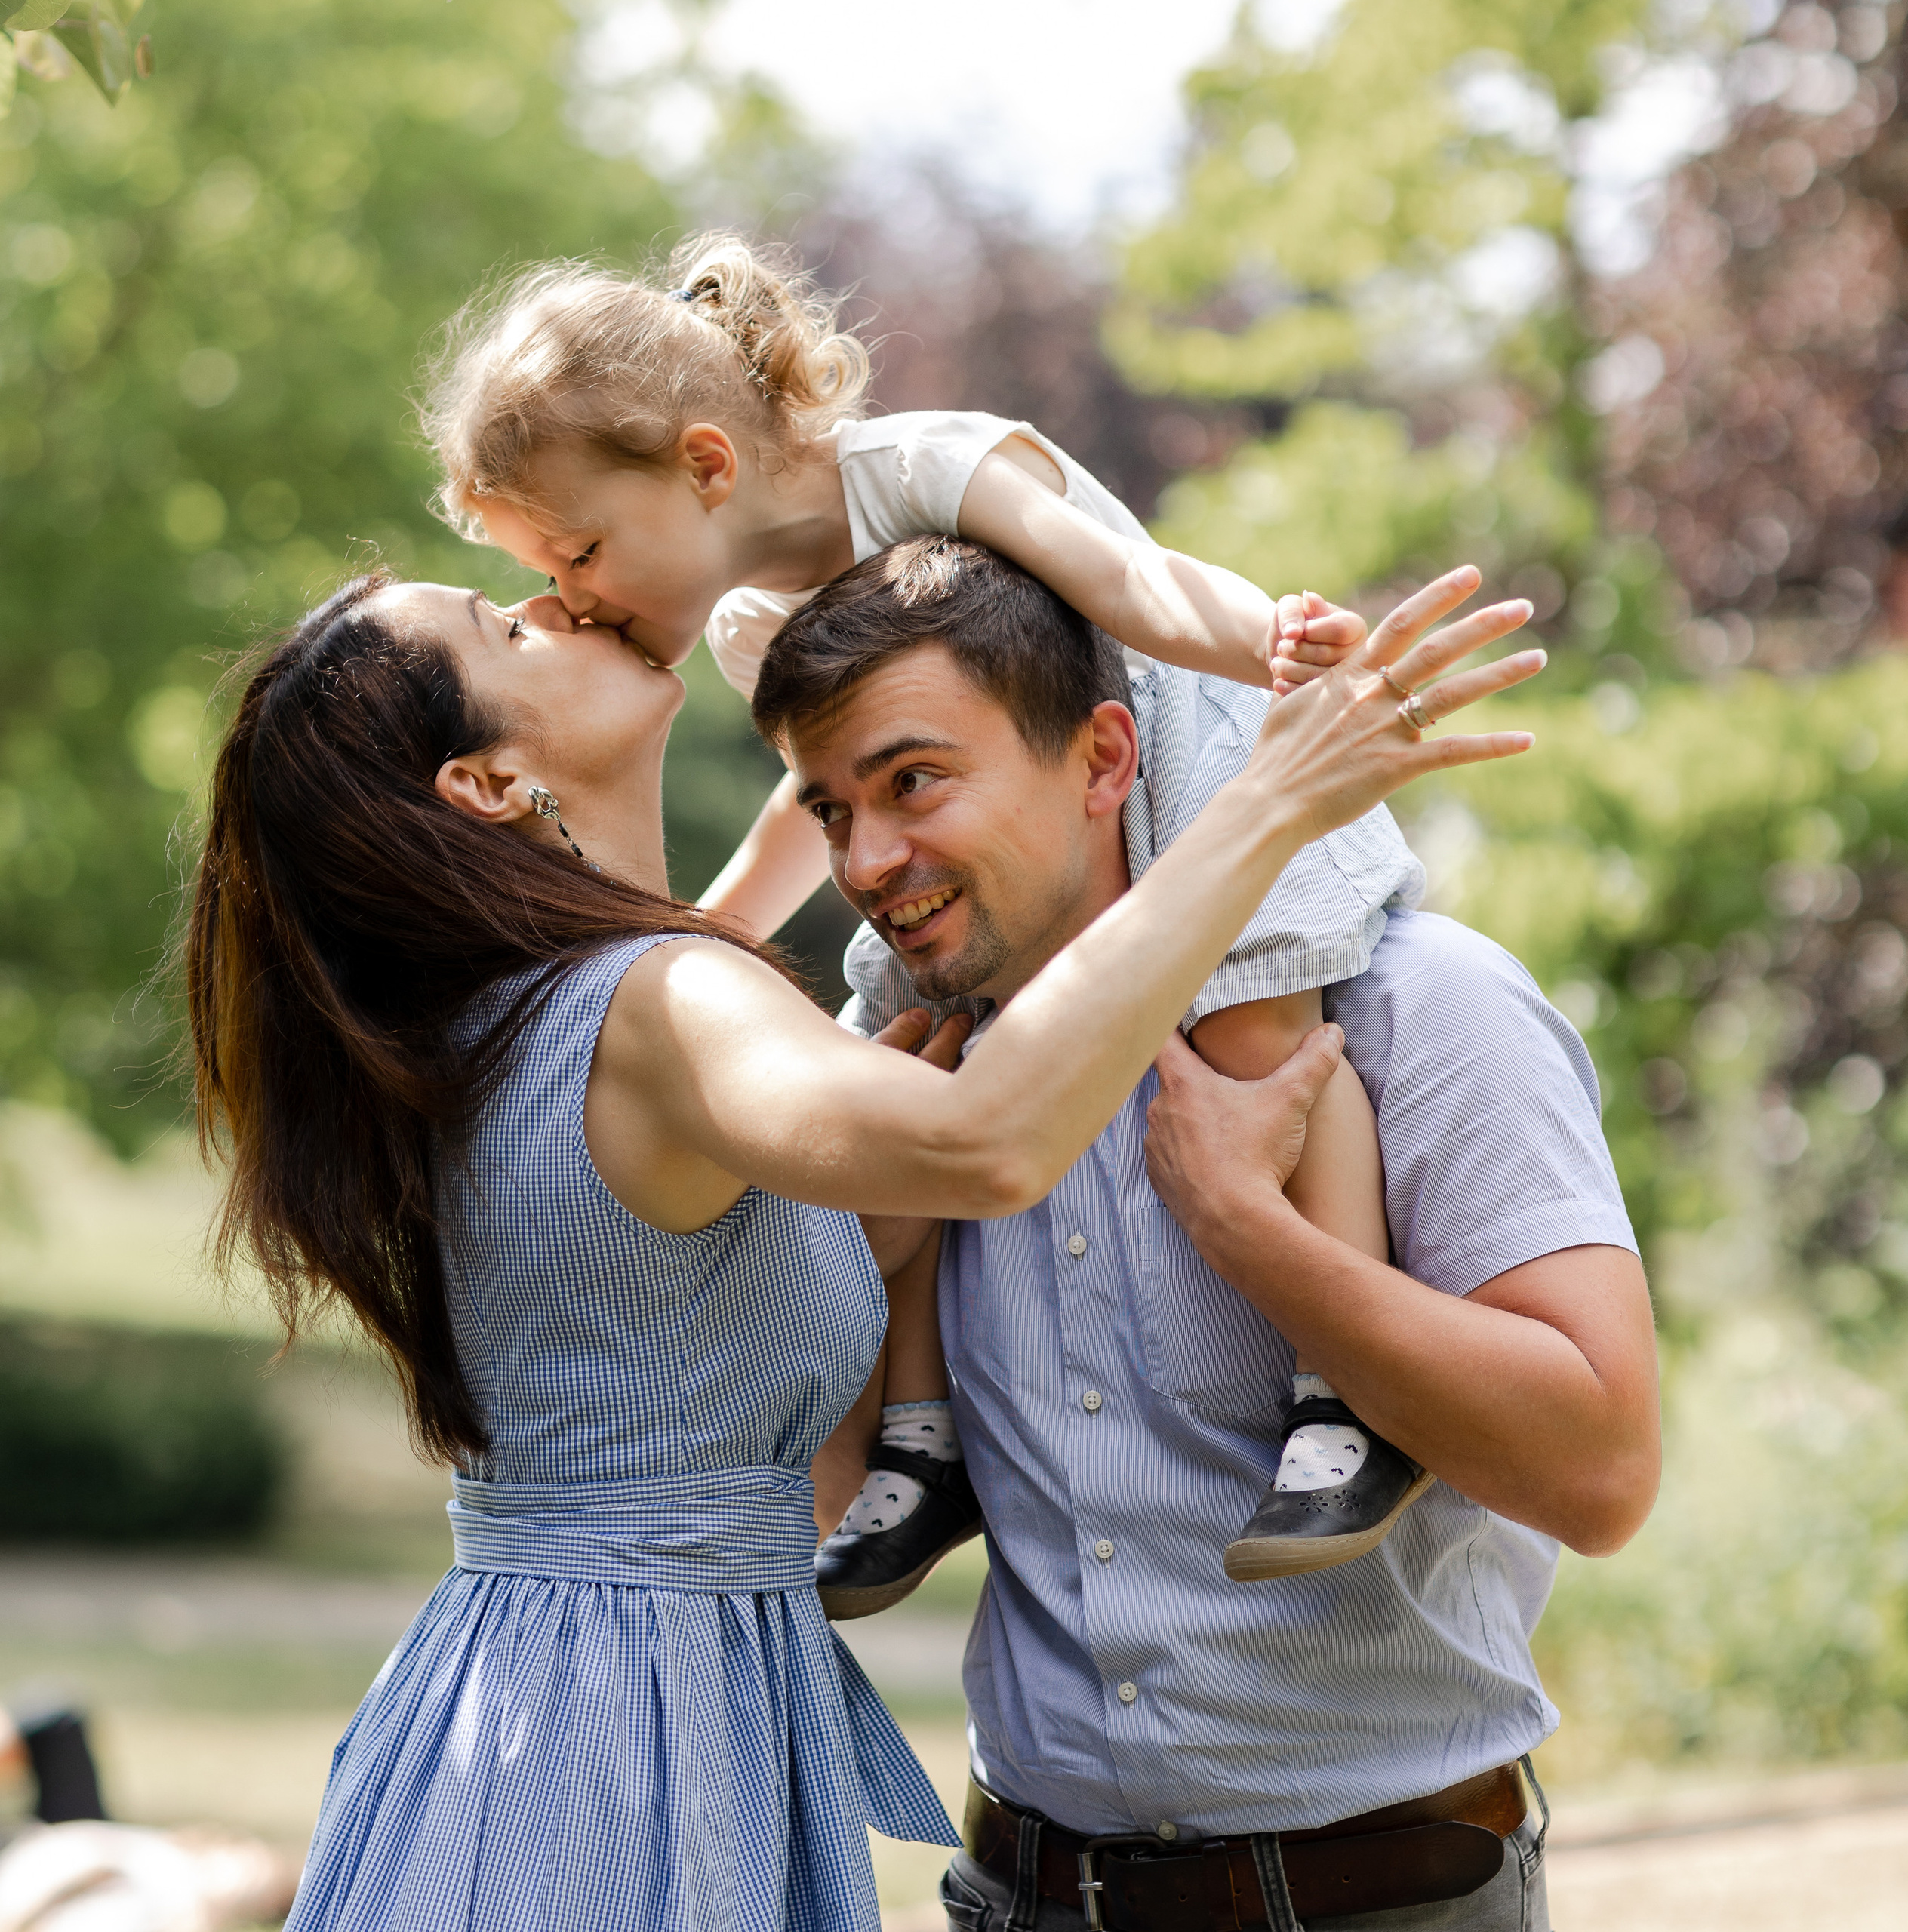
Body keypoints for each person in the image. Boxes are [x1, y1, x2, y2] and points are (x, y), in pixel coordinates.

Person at [183, 566, 1533, 1932]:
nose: (569, 601)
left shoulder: (496, 1016)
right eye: (514, 629)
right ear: (482, 784)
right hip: (629, 1739)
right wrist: (1267, 799)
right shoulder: (657, 1004)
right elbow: (986, 1141)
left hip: (542, 1701)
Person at [422, 232, 1436, 1586]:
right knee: (889, 1056)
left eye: (582, 550)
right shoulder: (745, 624)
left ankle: (1344, 1397)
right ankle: (923, 1432)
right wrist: (711, 932)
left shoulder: (926, 469)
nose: (570, 598)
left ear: (707, 465)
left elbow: (1128, 584)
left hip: (1167, 748)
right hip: (980, 840)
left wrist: (1275, 646)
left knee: (1265, 1023)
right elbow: (819, 789)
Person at [752, 538, 1663, 1932]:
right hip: (1024, 1894)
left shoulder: (1425, 1010)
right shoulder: (910, 1084)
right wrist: (861, 1254)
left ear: (1105, 758)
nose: (870, 860)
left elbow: (1601, 1474)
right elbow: (834, 1511)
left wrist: (1256, 1234)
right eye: (830, 812)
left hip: (1381, 1901)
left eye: (914, 782)